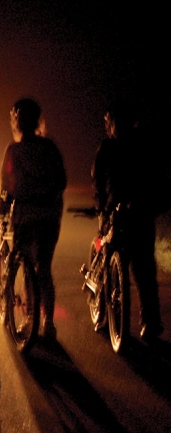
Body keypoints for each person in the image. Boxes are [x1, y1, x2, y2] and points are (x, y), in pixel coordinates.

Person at [92, 100, 164, 341]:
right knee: (144, 271)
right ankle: (150, 323)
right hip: (138, 213)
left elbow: (98, 181)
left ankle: (111, 317)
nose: (108, 127)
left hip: (127, 213)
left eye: (109, 122)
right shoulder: (143, 144)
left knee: (128, 265)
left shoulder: (112, 147)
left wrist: (101, 206)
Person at [0, 97, 67, 340]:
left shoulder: (13, 150)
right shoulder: (50, 148)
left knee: (27, 267)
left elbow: (6, 186)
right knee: (43, 267)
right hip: (49, 214)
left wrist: (3, 205)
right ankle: (47, 322)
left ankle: (30, 318)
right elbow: (61, 181)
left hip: (25, 214)